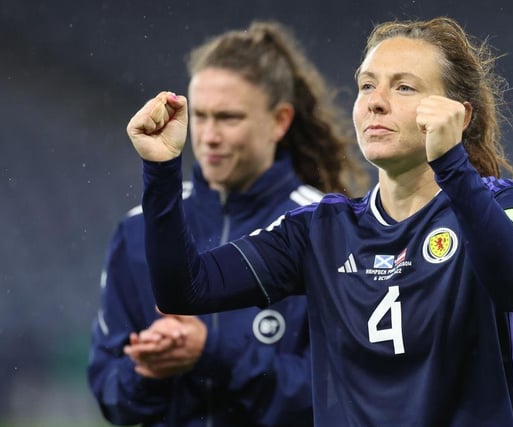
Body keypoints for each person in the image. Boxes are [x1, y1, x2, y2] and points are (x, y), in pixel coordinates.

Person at [127, 16, 513, 427]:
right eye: (366, 85)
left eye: (404, 87)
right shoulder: (320, 229)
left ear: (458, 115)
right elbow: (185, 289)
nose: (376, 100)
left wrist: (452, 166)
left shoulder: (508, 206)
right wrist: (162, 171)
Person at [88, 20, 367, 427]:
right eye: (200, 116)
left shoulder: (328, 229)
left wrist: (215, 352)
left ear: (280, 121)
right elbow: (111, 396)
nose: (209, 136)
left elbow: (346, 394)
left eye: (229, 118)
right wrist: (147, 371)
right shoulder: (139, 231)